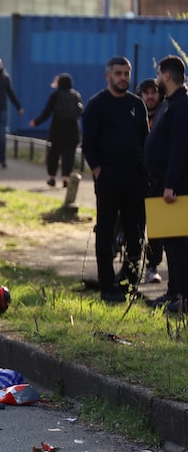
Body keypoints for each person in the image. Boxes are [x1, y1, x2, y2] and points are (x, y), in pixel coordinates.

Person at [81, 55, 149, 303]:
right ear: (107, 75)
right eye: (118, 73)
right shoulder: (96, 105)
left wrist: (144, 172)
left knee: (135, 234)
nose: (123, 78)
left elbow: (145, 140)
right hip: (109, 177)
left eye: (126, 73)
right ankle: (107, 285)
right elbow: (88, 144)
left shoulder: (136, 104)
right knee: (106, 232)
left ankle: (129, 283)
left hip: (134, 178)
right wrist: (99, 172)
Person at [143, 55, 188, 311]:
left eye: (159, 74)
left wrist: (170, 184)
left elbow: (179, 148)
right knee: (170, 241)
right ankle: (173, 293)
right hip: (162, 183)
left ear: (167, 76)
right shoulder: (170, 103)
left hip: (176, 187)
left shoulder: (182, 104)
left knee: (179, 243)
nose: (157, 78)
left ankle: (182, 297)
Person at [29, 73, 82, 188]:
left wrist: (36, 122)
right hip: (72, 130)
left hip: (58, 130)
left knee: (54, 154)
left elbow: (47, 112)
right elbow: (80, 112)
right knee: (69, 156)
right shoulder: (76, 95)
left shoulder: (55, 95)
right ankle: (66, 178)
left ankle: (52, 178)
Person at [139, 77, 166, 284]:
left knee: (157, 228)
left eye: (153, 92)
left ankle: (152, 266)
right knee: (133, 224)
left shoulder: (166, 115)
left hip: (158, 180)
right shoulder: (134, 114)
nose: (150, 96)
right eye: (146, 93)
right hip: (136, 178)